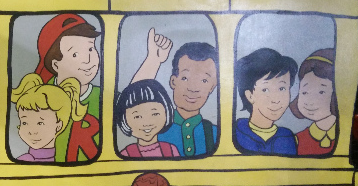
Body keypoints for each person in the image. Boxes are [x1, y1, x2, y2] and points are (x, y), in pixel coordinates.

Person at [131, 28, 218, 157]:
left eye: (204, 80)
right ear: (173, 81)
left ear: (212, 87)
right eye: (185, 78)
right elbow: (132, 102)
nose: (193, 88)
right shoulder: (154, 127)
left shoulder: (215, 133)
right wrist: (153, 60)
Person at [34, 14, 101, 162]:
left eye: (91, 49)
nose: (88, 60)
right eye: (75, 54)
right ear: (56, 65)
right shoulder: (40, 99)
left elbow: (134, 104)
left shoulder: (103, 97)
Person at [234, 48, 298, 155]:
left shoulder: (288, 137)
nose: (276, 99)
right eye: (265, 90)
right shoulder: (236, 132)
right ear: (250, 95)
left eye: (282, 88)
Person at [10, 73, 86, 162]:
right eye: (24, 122)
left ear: (58, 126)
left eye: (40, 123)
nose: (31, 131)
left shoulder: (66, 159)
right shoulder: (25, 160)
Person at [114, 79, 180, 158]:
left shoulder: (171, 150)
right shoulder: (126, 154)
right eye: (137, 117)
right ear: (124, 119)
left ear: (167, 112)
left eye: (155, 114)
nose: (147, 123)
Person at [290, 49, 337, 155]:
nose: (309, 101)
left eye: (321, 92)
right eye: (305, 92)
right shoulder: (296, 140)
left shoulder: (346, 137)